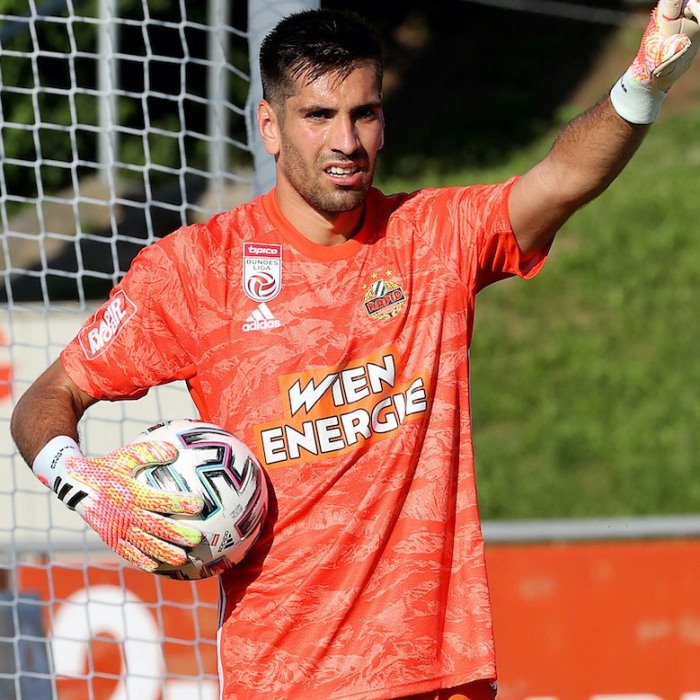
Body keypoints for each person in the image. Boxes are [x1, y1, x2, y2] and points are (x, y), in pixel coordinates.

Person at [10, 2, 700, 698]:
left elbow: (563, 179)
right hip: (283, 681)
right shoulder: (196, 271)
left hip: (441, 676)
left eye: (364, 113)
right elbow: (47, 398)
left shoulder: (432, 239)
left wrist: (644, 81)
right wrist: (86, 488)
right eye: (318, 116)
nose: (346, 140)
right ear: (270, 127)